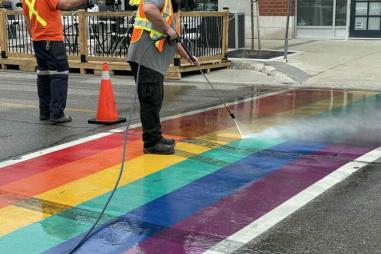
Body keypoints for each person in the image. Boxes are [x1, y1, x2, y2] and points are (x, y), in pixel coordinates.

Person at [127, 0, 199, 155]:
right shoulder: (161, 1)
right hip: (145, 58)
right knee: (150, 101)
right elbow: (148, 9)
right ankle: (151, 143)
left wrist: (188, 56)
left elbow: (172, 38)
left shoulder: (169, 8)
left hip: (152, 61)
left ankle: (156, 137)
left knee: (155, 100)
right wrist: (168, 28)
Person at [22, 0, 89, 123]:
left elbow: (27, 20)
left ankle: (45, 112)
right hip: (52, 38)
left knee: (44, 75)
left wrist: (36, 36)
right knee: (60, 74)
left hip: (38, 39)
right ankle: (57, 113)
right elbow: (66, 5)